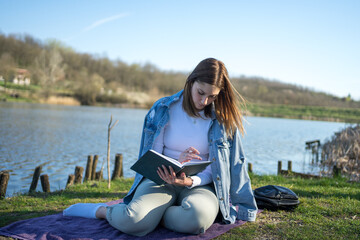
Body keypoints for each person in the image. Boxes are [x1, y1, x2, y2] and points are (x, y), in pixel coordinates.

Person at [63, 58, 258, 236]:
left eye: (212, 96)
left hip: (200, 185)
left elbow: (235, 164)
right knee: (133, 221)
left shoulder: (222, 120)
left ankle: (154, 216)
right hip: (160, 179)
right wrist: (177, 162)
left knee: (196, 220)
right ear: (191, 81)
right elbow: (150, 156)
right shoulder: (163, 109)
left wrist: (191, 182)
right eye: (201, 93)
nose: (204, 101)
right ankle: (102, 211)